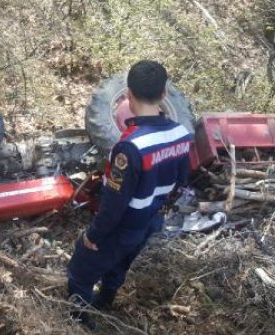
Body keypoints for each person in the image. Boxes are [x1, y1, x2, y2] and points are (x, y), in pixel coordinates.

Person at [67, 60, 192, 330]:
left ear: (128, 95)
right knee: (121, 263)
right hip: (150, 221)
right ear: (164, 95)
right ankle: (106, 300)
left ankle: (79, 321)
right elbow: (181, 181)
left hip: (124, 225)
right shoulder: (181, 134)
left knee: (80, 271)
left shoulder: (129, 146)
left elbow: (113, 205)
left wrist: (92, 236)